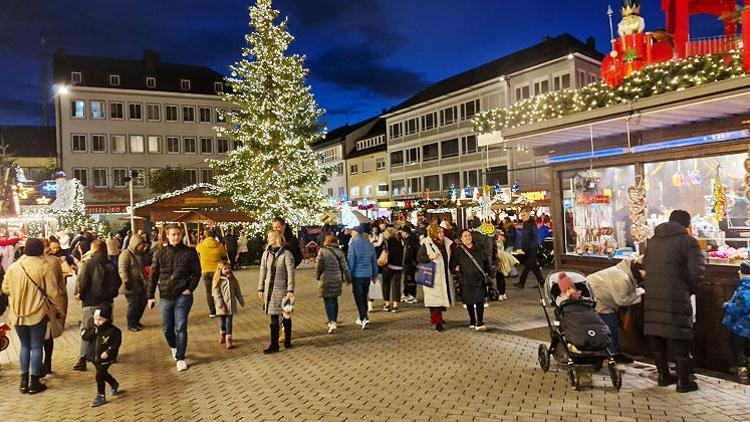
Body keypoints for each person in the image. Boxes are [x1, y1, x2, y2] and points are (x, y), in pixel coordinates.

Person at [643, 210, 705, 393]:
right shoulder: (689, 242)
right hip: (677, 293)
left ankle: (663, 376)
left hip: (653, 294)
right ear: (687, 223)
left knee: (657, 335)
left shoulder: (653, 241)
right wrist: (690, 289)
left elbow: (645, 263)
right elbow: (697, 271)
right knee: (680, 337)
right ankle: (683, 381)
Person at [2, 238, 64, 394]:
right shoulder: (44, 267)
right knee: (36, 346)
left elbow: (5, 288)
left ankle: (23, 381)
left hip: (17, 314)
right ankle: (34, 382)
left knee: (24, 346)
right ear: (40, 250)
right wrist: (59, 310)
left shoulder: (14, 267)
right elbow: (53, 293)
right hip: (38, 312)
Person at [148, 225, 202, 372]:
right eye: (173, 234)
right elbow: (153, 276)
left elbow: (197, 273)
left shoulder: (189, 252)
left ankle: (180, 358)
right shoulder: (159, 253)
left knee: (181, 326)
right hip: (165, 295)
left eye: (178, 234)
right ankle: (173, 346)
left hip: (182, 296)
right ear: (167, 235)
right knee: (167, 328)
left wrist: (190, 288)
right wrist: (150, 296)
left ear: (181, 234)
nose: (176, 237)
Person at [586, 257, 646, 362]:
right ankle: (612, 353)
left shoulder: (625, 273)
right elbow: (622, 300)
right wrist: (639, 292)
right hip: (597, 298)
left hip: (600, 297)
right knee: (610, 323)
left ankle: (611, 352)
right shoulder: (621, 277)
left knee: (609, 324)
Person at [74, 239, 120, 372]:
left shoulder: (88, 263)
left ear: (93, 249)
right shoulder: (110, 263)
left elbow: (82, 281)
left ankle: (83, 358)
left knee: (88, 329)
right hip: (107, 302)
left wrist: (79, 293)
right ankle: (109, 354)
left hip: (91, 302)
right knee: (107, 329)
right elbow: (118, 281)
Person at [258, 230, 295, 354]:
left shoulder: (287, 254)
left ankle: (288, 340)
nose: (268, 239)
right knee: (273, 317)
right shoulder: (266, 254)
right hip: (270, 291)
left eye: (270, 237)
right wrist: (261, 287)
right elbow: (262, 271)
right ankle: (274, 344)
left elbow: (291, 273)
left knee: (286, 315)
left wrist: (290, 290)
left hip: (284, 290)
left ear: (276, 238)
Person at [451, 229, 492, 331]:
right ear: (461, 238)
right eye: (465, 236)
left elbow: (485, 262)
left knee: (479, 301)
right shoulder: (458, 251)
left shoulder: (478, 249)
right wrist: (457, 272)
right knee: (469, 302)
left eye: (469, 235)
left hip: (479, 280)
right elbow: (452, 265)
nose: (468, 237)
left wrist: (490, 274)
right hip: (466, 280)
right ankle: (472, 320)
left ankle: (480, 322)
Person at [82, 302, 121, 407]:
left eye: (100, 319)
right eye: (95, 319)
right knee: (103, 373)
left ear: (107, 319)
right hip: (93, 356)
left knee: (99, 375)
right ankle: (113, 383)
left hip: (105, 358)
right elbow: (84, 337)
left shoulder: (114, 331)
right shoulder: (92, 326)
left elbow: (116, 344)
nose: (97, 322)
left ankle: (101, 395)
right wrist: (92, 332)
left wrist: (108, 352)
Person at [417, 224, 455, 332]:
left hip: (444, 276)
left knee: (440, 301)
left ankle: (437, 319)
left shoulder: (446, 243)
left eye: (442, 232)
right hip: (432, 276)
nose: (442, 234)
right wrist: (430, 257)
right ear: (434, 234)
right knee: (435, 302)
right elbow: (419, 258)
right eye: (439, 232)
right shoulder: (427, 244)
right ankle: (437, 322)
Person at [41, 238, 67, 377]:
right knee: (48, 336)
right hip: (49, 304)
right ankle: (47, 364)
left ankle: (34, 370)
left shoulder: (21, 264)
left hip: (32, 309)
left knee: (34, 341)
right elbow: (58, 287)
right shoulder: (53, 261)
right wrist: (60, 309)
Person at [315, 234, 351, 334]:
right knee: (334, 299)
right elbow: (345, 267)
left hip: (326, 278)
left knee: (327, 300)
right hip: (337, 278)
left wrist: (317, 276)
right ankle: (334, 319)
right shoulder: (339, 251)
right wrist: (348, 279)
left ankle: (331, 321)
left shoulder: (322, 251)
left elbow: (318, 265)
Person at [722, 262, 750, 384]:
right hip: (746, 327)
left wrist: (727, 305)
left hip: (740, 326)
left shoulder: (744, 289)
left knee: (738, 348)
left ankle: (742, 371)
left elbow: (740, 308)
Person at [347, 226, 378, 330]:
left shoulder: (353, 244)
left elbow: (351, 261)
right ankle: (363, 316)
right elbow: (374, 261)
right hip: (367, 274)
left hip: (357, 274)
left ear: (356, 232)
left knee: (358, 297)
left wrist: (349, 276)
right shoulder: (369, 244)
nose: (351, 233)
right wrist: (374, 274)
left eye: (352, 231)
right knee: (364, 296)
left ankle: (363, 318)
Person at [118, 234, 149, 332]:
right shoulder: (126, 253)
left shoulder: (140, 254)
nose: (142, 247)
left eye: (142, 245)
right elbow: (122, 268)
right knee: (133, 305)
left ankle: (136, 321)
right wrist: (126, 280)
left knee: (142, 303)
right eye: (140, 245)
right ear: (134, 244)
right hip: (131, 285)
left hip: (141, 284)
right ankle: (131, 324)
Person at [196, 229, 228, 318]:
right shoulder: (220, 246)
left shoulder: (201, 246)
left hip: (205, 271)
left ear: (205, 236)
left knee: (208, 292)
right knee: (219, 290)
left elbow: (197, 250)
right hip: (217, 271)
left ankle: (212, 311)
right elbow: (225, 257)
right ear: (214, 236)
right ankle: (221, 308)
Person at [212, 263, 244, 349]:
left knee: (229, 322)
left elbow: (237, 290)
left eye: (229, 268)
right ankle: (222, 333)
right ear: (220, 271)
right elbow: (216, 294)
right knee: (223, 321)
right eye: (225, 269)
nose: (228, 270)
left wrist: (241, 301)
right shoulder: (217, 281)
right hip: (222, 306)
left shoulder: (233, 279)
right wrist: (221, 305)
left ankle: (228, 338)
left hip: (231, 305)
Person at [513, 211, 544, 288]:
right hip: (528, 248)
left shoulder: (531, 224)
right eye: (521, 215)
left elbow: (535, 236)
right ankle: (541, 281)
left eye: (524, 215)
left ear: (528, 216)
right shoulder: (526, 224)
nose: (522, 217)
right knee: (534, 267)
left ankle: (521, 283)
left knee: (527, 266)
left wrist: (530, 246)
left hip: (532, 248)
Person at [381, 227, 404, 312]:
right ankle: (395, 305)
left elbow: (381, 252)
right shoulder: (400, 242)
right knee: (396, 285)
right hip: (398, 266)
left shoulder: (386, 242)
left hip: (388, 265)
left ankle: (387, 304)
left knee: (386, 285)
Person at [399, 226, 419, 304]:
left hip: (410, 264)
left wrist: (414, 262)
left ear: (406, 233)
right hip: (406, 264)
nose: (401, 234)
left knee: (410, 279)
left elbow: (411, 253)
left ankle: (412, 295)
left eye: (402, 232)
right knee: (406, 280)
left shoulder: (411, 241)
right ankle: (406, 293)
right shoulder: (405, 240)